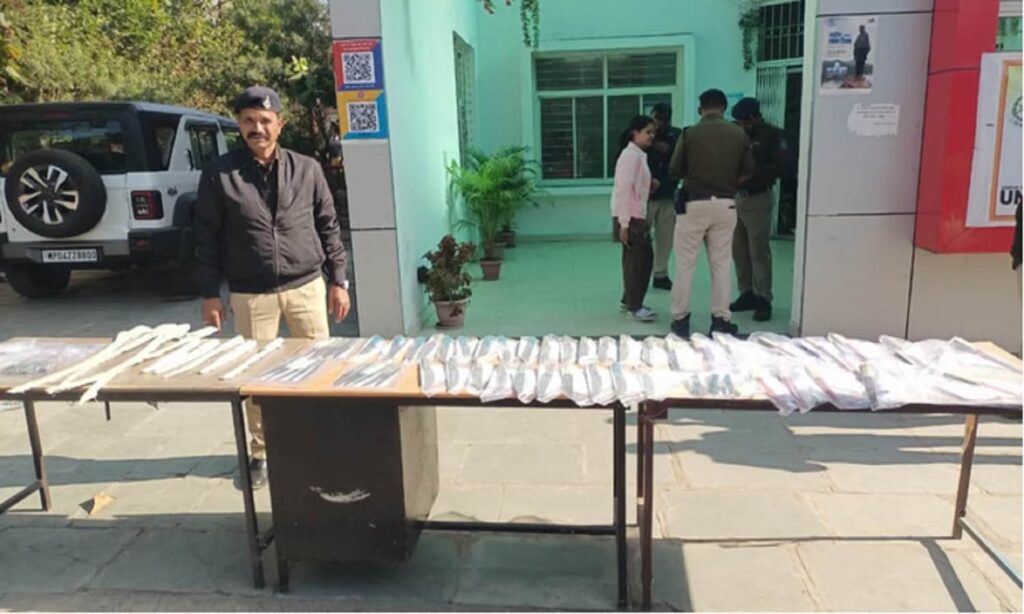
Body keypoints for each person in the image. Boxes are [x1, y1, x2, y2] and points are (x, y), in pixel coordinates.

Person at [195, 86, 352, 489]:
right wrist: (210, 292)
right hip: (251, 292)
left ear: (280, 125)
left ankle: (322, 441)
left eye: (265, 121)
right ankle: (262, 452)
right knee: (255, 376)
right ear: (238, 125)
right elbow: (206, 235)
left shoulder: (307, 168)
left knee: (319, 366)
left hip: (306, 286)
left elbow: (328, 225)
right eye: (248, 120)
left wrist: (339, 280)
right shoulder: (220, 174)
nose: (257, 128)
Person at [668, 89, 755, 338]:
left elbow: (675, 170)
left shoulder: (689, 134)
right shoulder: (739, 134)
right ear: (725, 108)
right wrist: (729, 183)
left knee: (685, 264)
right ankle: (720, 319)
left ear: (700, 109)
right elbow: (749, 170)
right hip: (725, 204)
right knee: (721, 264)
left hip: (693, 204)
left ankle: (681, 319)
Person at [730, 97, 788, 322]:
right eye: (738, 122)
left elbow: (783, 167)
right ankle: (746, 293)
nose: (742, 126)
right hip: (736, 199)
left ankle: (763, 298)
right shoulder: (735, 135)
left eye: (745, 122)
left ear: (755, 117)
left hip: (757, 198)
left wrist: (751, 175)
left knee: (758, 251)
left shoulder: (773, 135)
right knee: (739, 250)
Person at [612, 115, 658, 322]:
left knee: (636, 260)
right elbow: (623, 190)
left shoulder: (638, 155)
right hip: (630, 216)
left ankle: (628, 299)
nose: (652, 136)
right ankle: (634, 306)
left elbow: (635, 186)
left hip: (634, 214)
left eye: (653, 132)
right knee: (639, 262)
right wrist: (624, 223)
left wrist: (650, 185)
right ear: (635, 133)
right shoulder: (630, 156)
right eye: (648, 132)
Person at [647, 103, 682, 291]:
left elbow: (681, 162)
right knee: (641, 239)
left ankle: (660, 274)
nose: (658, 124)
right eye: (656, 119)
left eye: (662, 120)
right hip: (645, 197)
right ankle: (640, 273)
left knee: (665, 238)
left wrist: (668, 149)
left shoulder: (676, 136)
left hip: (668, 194)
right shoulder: (643, 133)